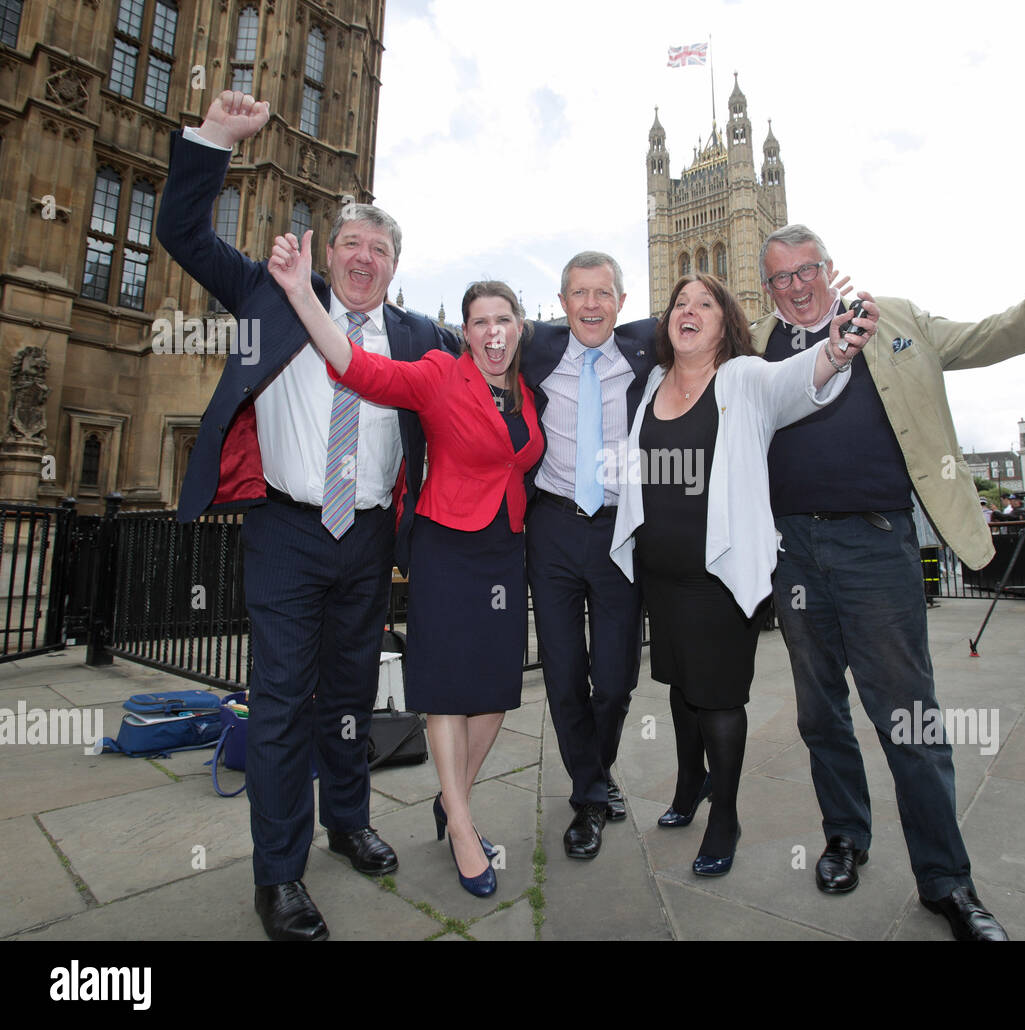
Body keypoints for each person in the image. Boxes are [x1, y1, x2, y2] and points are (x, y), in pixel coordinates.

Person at [754, 218, 1025, 941]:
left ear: (830, 267)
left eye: (806, 271)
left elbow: (1000, 333)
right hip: (790, 550)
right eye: (780, 278)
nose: (795, 287)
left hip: (877, 543)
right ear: (767, 287)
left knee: (909, 719)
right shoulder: (756, 343)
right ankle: (845, 839)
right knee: (819, 712)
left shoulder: (897, 321)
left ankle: (947, 881)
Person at [157, 92, 455, 941]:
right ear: (327, 251)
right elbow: (184, 232)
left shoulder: (420, 335)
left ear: (396, 265)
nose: (364, 259)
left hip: (367, 539)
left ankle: (348, 819)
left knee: (352, 695)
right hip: (286, 529)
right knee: (283, 703)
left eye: (380, 249)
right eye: (351, 244)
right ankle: (280, 878)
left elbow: (464, 414)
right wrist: (214, 138)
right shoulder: (268, 293)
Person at [268, 231, 544, 897]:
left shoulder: (525, 391)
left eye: (503, 319)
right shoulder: (437, 375)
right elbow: (357, 368)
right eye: (479, 322)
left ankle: (453, 802)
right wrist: (303, 293)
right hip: (447, 547)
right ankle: (461, 827)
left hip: (504, 549)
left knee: (496, 694)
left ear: (519, 326)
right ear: (465, 332)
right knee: (448, 691)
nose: (492, 331)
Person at [610, 273, 873, 876]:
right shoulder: (651, 383)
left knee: (719, 698)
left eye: (705, 303)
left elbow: (797, 381)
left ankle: (725, 814)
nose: (689, 310)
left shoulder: (743, 379)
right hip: (662, 575)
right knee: (680, 687)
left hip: (719, 578)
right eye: (680, 303)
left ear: (726, 322)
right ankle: (689, 786)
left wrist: (833, 350)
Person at [519, 254, 657, 861]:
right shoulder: (535, 346)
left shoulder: (648, 348)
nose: (592, 304)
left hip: (620, 530)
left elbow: (721, 330)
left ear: (622, 302)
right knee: (563, 670)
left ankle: (595, 774)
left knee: (616, 675)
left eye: (604, 293)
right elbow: (466, 332)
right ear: (563, 300)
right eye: (580, 293)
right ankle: (590, 795)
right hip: (551, 526)